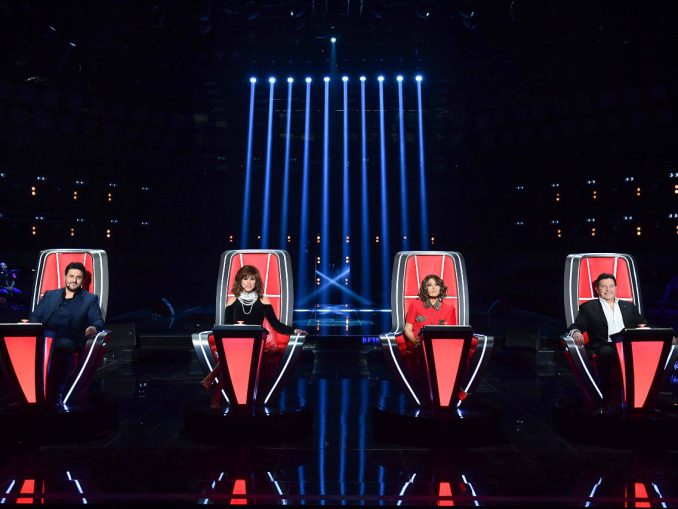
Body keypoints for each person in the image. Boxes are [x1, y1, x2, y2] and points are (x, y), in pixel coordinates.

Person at [201, 265, 307, 409]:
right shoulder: (232, 300)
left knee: (233, 359)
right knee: (233, 357)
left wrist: (294, 330)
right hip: (235, 342)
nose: (249, 282)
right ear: (240, 280)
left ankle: (212, 387)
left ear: (256, 281)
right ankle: (215, 395)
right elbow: (227, 327)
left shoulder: (263, 299)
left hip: (255, 342)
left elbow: (276, 324)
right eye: (245, 279)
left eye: (252, 279)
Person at [567, 272, 647, 413]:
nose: (608, 289)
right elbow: (576, 326)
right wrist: (576, 332)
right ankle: (608, 398)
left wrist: (646, 329)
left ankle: (640, 395)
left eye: (611, 286)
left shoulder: (628, 306)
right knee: (607, 353)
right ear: (597, 289)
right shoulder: (589, 307)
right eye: (604, 286)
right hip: (605, 345)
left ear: (615, 287)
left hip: (628, 345)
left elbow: (643, 324)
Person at [29, 261, 104, 407]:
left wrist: (93, 328)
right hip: (46, 335)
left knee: (63, 346)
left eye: (78, 277)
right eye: (71, 276)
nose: (74, 280)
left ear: (83, 280)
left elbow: (97, 320)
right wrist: (32, 329)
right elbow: (35, 316)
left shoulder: (90, 299)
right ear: (65, 277)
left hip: (69, 337)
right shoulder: (50, 295)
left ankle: (55, 393)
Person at [403, 274, 457, 352]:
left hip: (439, 348)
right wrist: (415, 342)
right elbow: (407, 329)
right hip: (417, 347)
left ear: (441, 288)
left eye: (436, 284)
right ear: (425, 288)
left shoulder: (449, 308)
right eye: (429, 285)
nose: (433, 288)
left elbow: (451, 333)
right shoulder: (415, 305)